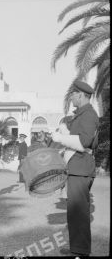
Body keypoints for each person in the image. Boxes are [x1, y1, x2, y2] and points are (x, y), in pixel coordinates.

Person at [51, 80, 99, 257]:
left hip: (81, 168)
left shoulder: (89, 115)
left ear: (80, 95)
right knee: (74, 214)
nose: (71, 97)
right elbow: (79, 138)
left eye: (73, 94)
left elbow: (84, 142)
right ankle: (77, 250)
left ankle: (81, 253)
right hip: (77, 168)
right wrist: (65, 132)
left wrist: (61, 138)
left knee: (78, 214)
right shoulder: (82, 115)